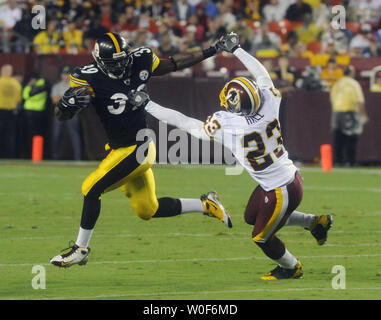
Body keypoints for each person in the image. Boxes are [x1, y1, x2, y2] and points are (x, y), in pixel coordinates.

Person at [142, 33, 333, 280]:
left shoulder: (228, 124)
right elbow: (263, 75)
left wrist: (148, 105)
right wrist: (238, 50)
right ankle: (315, 223)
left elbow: (186, 123)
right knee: (251, 217)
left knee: (260, 236)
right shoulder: (269, 103)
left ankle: (291, 267)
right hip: (290, 178)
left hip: (280, 190)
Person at [50, 32, 232, 268]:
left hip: (139, 148)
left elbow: (173, 63)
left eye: (123, 59)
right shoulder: (86, 77)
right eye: (115, 62)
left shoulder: (141, 57)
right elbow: (62, 116)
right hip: (118, 149)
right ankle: (207, 204)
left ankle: (80, 249)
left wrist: (211, 50)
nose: (122, 65)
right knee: (148, 209)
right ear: (100, 61)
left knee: (91, 188)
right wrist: (65, 106)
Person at [330, 65, 368, 167]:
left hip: (337, 112)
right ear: (351, 73)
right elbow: (359, 100)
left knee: (339, 138)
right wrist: (363, 115)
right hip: (350, 112)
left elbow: (332, 98)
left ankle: (338, 161)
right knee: (352, 137)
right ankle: (351, 161)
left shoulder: (337, 83)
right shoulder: (353, 84)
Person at [51, 66, 82, 161]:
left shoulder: (74, 85)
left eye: (67, 74)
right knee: (56, 134)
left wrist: (62, 98)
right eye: (64, 74)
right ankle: (55, 157)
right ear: (61, 75)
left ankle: (78, 157)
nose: (66, 76)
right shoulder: (57, 86)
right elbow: (54, 100)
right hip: (60, 112)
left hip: (71, 112)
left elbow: (78, 99)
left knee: (74, 135)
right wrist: (68, 98)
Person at [22, 73, 49, 159]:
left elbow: (26, 95)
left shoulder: (41, 86)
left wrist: (28, 85)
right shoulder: (39, 86)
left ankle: (35, 155)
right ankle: (31, 154)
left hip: (36, 113)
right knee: (30, 135)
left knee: (34, 135)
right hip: (31, 113)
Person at [0, 64, 22, 158]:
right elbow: (18, 99)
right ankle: (9, 155)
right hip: (11, 112)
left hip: (1, 111)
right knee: (9, 135)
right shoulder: (16, 84)